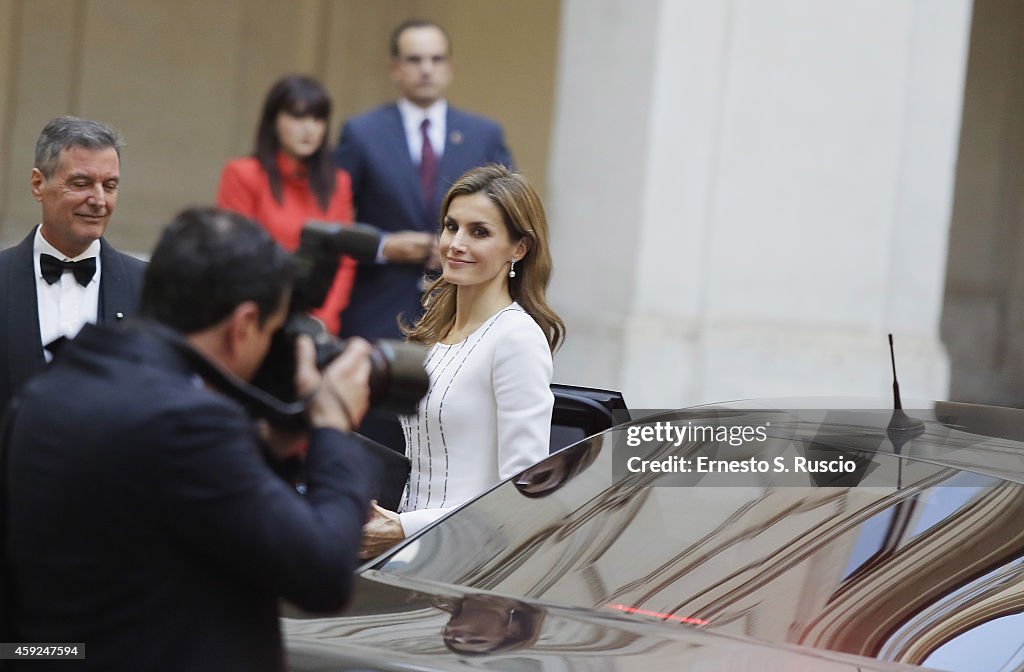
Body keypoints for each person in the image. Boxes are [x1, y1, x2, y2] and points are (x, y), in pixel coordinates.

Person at [0, 208, 382, 671]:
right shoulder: (184, 422)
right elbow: (322, 574)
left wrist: (270, 445)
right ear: (242, 326)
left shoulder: (54, 385)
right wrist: (333, 425)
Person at [360, 164, 564, 558]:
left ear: (518, 248)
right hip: (401, 554)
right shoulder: (437, 332)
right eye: (451, 226)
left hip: (467, 562)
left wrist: (403, 527)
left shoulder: (517, 338)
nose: (456, 243)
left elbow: (523, 495)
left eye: (479, 232)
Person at [333, 18, 514, 341]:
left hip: (461, 310)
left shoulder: (483, 136)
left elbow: (508, 215)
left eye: (436, 59)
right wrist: (385, 246)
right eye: (415, 60)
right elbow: (334, 218)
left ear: (451, 67)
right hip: (380, 306)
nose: (427, 69)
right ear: (395, 68)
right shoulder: (362, 133)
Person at [0, 116, 146, 414]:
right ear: (38, 184)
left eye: (110, 185)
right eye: (81, 184)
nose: (99, 200)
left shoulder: (146, 287)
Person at [217, 74, 355, 335]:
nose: (309, 129)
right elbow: (236, 256)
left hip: (317, 324)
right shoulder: (243, 174)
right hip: (256, 320)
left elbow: (344, 263)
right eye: (297, 117)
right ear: (274, 121)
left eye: (317, 119)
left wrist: (323, 320)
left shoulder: (338, 183)